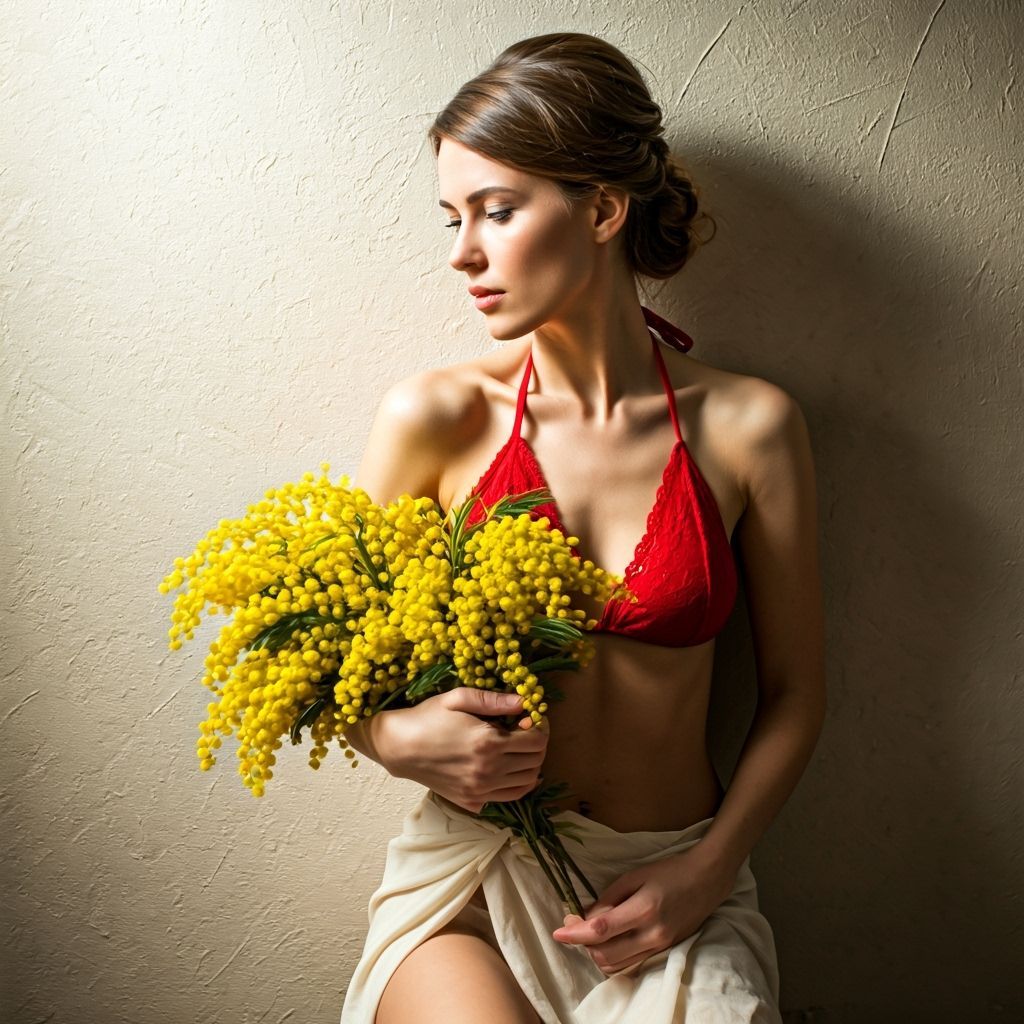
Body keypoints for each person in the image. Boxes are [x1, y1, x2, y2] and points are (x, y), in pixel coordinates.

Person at [339, 31, 825, 1024]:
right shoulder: (434, 419)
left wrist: (706, 869)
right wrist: (399, 739)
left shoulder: (748, 427)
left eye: (497, 210)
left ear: (602, 209)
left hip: (673, 882)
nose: (462, 252)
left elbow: (794, 693)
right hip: (470, 882)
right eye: (452, 216)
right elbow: (341, 676)